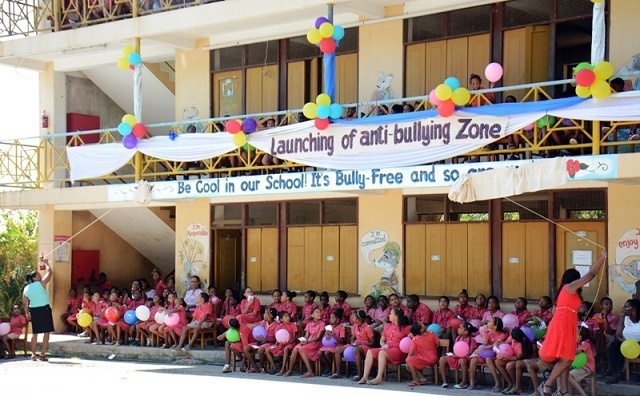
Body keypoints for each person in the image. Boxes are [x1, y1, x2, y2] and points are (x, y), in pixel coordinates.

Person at [538, 249, 607, 396]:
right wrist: (602, 259)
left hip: (566, 324)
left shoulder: (567, 290)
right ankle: (548, 385)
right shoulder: (569, 287)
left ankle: (563, 391)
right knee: (567, 358)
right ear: (574, 279)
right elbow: (591, 275)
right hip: (563, 324)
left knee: (566, 358)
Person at [358, 307, 411, 385]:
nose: (389, 315)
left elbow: (411, 339)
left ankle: (379, 378)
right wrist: (383, 345)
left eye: (391, 314)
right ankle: (365, 377)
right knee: (370, 351)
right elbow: (382, 340)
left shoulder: (406, 328)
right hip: (387, 349)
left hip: (398, 351)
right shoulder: (388, 326)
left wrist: (410, 337)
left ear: (396, 317)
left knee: (382, 352)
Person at [22, 255, 55, 361]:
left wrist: (27, 313)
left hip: (34, 310)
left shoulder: (26, 288)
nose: (40, 275)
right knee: (46, 332)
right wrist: (46, 263)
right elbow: (50, 273)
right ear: (34, 278)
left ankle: (33, 354)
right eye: (37, 274)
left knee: (35, 333)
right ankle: (42, 353)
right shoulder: (41, 284)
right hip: (44, 310)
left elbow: (24, 303)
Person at [280, 307, 325, 378]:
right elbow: (306, 335)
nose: (319, 313)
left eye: (320, 312)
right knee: (295, 348)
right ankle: (290, 370)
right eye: (317, 312)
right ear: (312, 315)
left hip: (316, 344)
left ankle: (310, 371)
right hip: (309, 342)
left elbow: (317, 338)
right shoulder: (309, 324)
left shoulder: (322, 323)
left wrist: (307, 341)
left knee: (301, 349)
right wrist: (304, 340)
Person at [604, 298, 640, 383]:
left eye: (627, 307)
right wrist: (625, 343)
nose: (624, 309)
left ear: (634, 309)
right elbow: (618, 335)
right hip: (625, 343)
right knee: (613, 346)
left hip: (638, 344)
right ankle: (615, 374)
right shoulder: (625, 318)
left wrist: (635, 344)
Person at [489, 327, 534, 394]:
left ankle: (516, 385)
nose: (511, 338)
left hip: (519, 360)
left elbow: (517, 358)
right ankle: (510, 383)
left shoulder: (520, 344)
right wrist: (498, 344)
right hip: (511, 357)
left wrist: (504, 356)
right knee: (497, 362)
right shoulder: (513, 338)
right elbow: (506, 342)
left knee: (509, 366)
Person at [332, 309, 374, 380]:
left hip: (366, 346)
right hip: (356, 344)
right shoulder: (355, 326)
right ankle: (338, 372)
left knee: (356, 350)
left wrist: (361, 343)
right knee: (338, 349)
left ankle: (360, 374)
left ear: (358, 318)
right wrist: (352, 343)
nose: (352, 318)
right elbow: (353, 337)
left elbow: (372, 342)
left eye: (354, 317)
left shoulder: (368, 328)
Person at [468, 317, 507, 390]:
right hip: (485, 353)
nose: (488, 323)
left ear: (495, 326)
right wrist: (483, 331)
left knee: (488, 360)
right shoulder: (489, 332)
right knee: (473, 360)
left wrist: (481, 349)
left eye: (490, 321)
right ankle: (472, 383)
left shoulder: (501, 335)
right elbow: (485, 343)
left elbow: (493, 346)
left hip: (496, 354)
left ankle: (497, 383)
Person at [439, 321, 477, 389]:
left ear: (466, 332)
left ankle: (464, 382)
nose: (458, 329)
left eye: (460, 328)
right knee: (442, 359)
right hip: (457, 356)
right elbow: (456, 349)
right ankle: (444, 382)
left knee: (463, 360)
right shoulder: (458, 338)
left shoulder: (472, 340)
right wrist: (454, 354)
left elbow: (470, 353)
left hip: (466, 358)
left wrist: (459, 355)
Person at [407, 321, 440, 387]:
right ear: (421, 330)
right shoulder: (431, 334)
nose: (423, 323)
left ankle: (416, 380)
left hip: (425, 358)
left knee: (409, 360)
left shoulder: (415, 339)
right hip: (433, 356)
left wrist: (407, 358)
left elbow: (411, 353)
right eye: (421, 324)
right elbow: (438, 344)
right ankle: (422, 378)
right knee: (410, 361)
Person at [319, 309, 346, 377]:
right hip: (328, 345)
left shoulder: (341, 327)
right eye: (330, 318)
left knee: (327, 353)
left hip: (337, 346)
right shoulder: (329, 327)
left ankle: (332, 369)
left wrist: (332, 335)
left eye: (333, 318)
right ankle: (329, 367)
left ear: (338, 320)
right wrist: (326, 335)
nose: (330, 319)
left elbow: (342, 340)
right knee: (319, 353)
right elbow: (324, 339)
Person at [569, 326, 595, 396]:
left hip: (586, 368)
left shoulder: (586, 344)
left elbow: (575, 352)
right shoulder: (578, 344)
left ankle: (583, 394)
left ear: (580, 337)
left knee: (568, 376)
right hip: (580, 367)